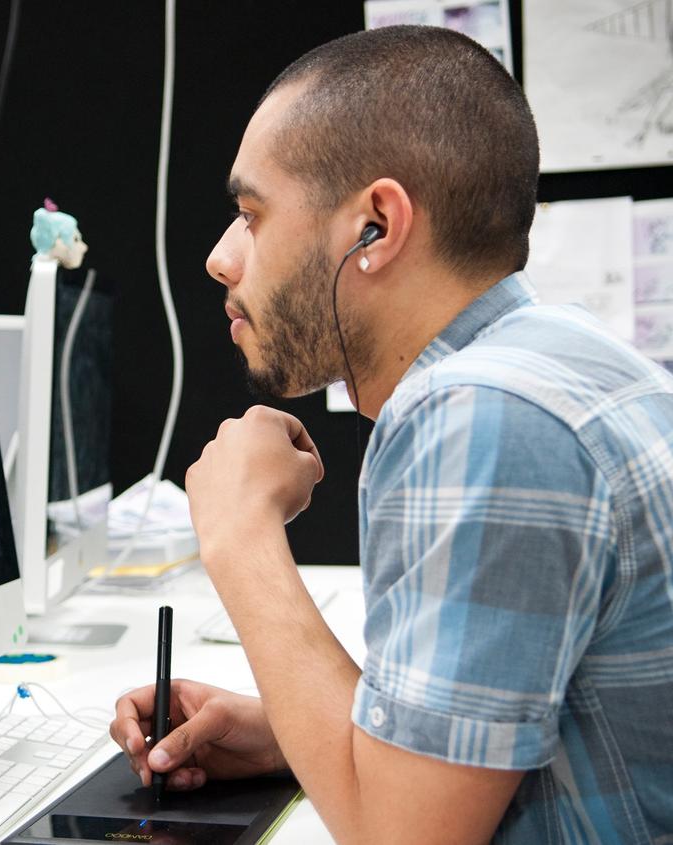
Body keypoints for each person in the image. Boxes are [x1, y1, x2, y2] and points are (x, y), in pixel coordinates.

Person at [110, 25, 673, 844]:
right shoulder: (563, 354)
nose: (220, 257)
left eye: (250, 214)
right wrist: (299, 733)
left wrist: (238, 531)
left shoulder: (480, 415)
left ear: (376, 225)